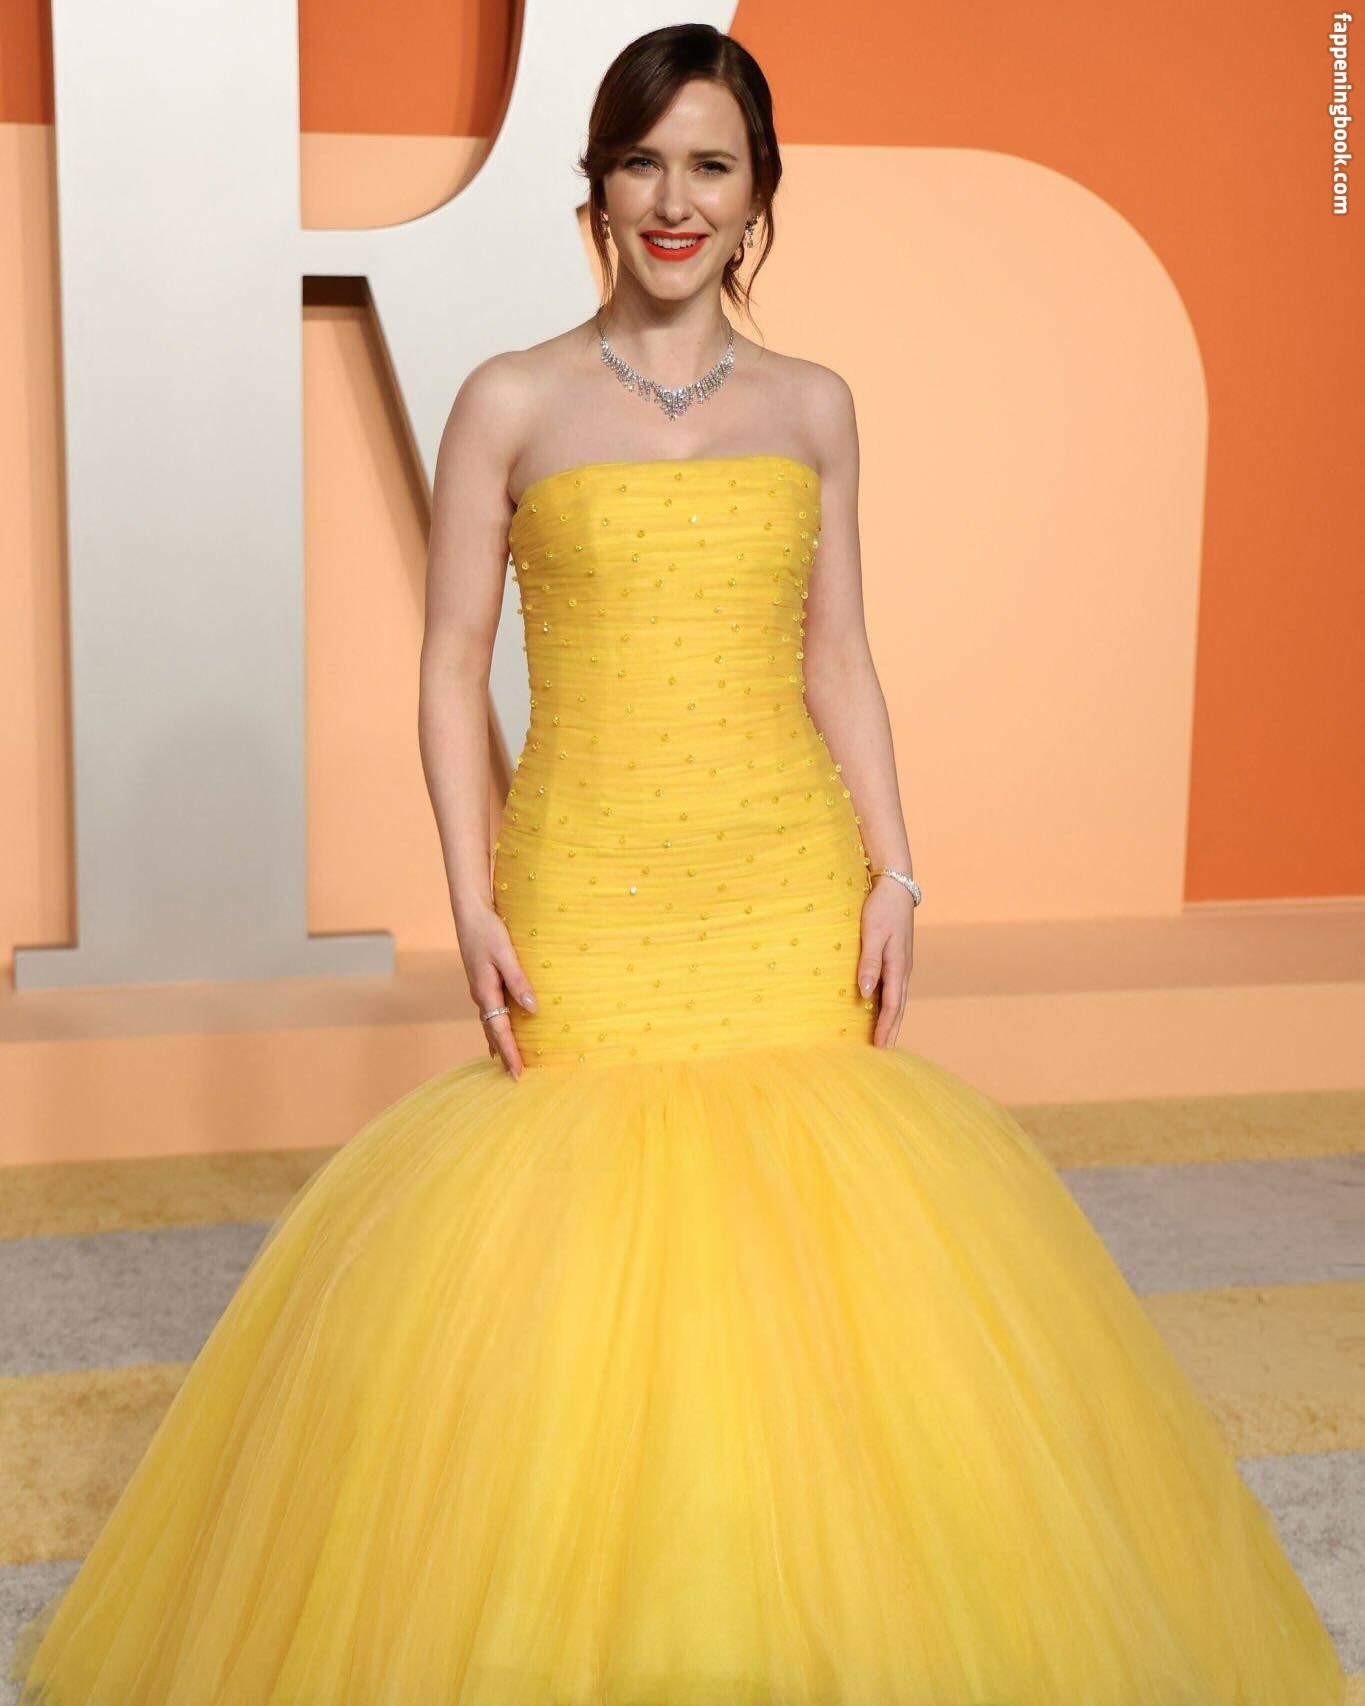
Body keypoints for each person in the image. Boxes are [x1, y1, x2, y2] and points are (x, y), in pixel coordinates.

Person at [11, 23, 1347, 1705]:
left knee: (824, 1287)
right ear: (596, 185)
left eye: (709, 163)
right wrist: (468, 896)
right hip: (586, 884)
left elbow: (839, 653)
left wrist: (897, 873)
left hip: (784, 879)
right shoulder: (508, 399)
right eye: (642, 160)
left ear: (758, 191)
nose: (673, 198)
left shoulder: (814, 405)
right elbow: (446, 664)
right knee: (575, 1288)